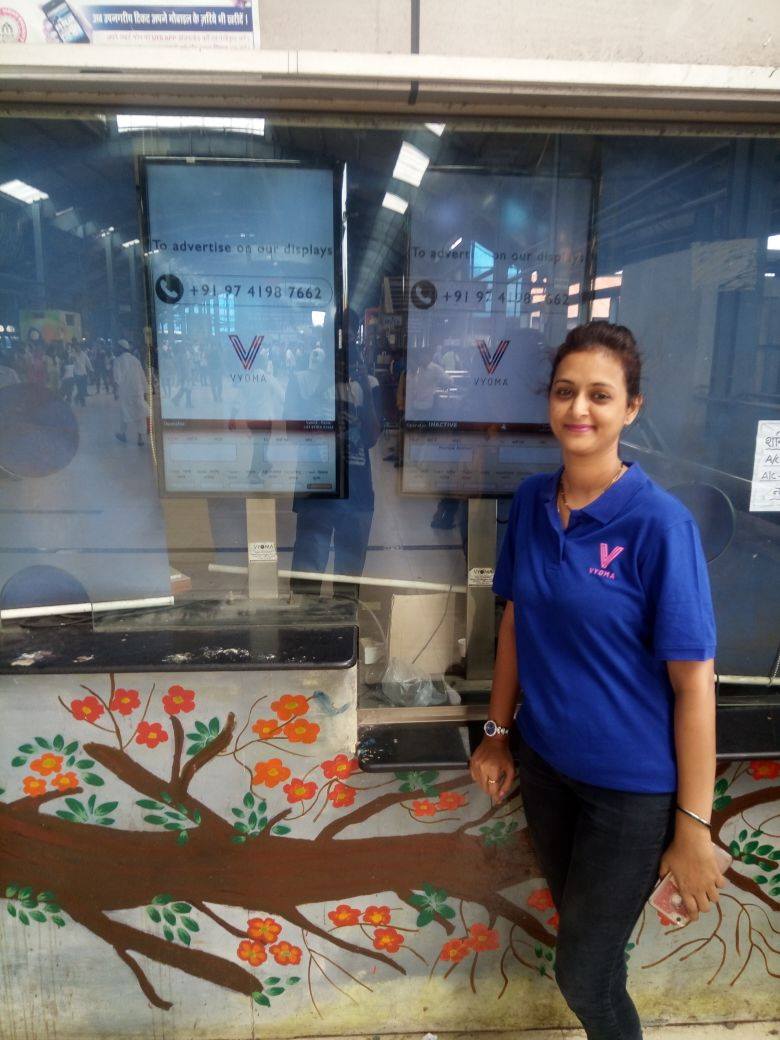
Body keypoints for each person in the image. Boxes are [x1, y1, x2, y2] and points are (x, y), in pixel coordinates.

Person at [470, 321, 722, 1040]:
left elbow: (695, 686)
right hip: (548, 771)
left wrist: (693, 828)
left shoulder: (660, 526)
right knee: (594, 960)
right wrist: (497, 734)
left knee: (582, 973)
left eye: (600, 395)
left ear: (632, 408)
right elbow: (517, 621)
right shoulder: (530, 501)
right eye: (565, 391)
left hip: (629, 794)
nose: (578, 408)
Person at [113, 339, 148, 446]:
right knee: (140, 414)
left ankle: (123, 433)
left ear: (121, 348)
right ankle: (140, 438)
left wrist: (116, 391)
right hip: (137, 390)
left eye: (117, 347)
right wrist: (145, 391)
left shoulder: (117, 361)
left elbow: (117, 378)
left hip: (125, 392)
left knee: (124, 412)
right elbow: (142, 376)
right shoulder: (135, 360)